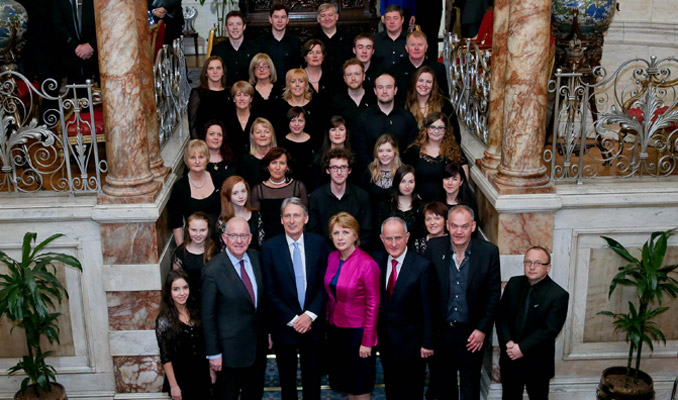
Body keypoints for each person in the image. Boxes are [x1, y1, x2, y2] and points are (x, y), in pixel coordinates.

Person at [425, 205, 501, 400]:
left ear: (473, 226)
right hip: (442, 333)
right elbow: (427, 294)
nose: (459, 231)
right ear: (448, 226)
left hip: (472, 335)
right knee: (444, 388)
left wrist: (482, 329)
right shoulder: (434, 248)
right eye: (455, 226)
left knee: (470, 388)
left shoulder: (489, 253)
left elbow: (493, 295)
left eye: (464, 226)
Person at [261, 198, 328, 400]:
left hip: (313, 324)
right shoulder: (270, 248)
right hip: (284, 325)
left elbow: (325, 283)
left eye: (296, 215)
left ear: (305, 218)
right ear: (281, 220)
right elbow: (270, 291)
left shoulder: (319, 244)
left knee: (313, 381)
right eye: (287, 215)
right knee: (287, 383)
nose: (292, 220)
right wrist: (293, 319)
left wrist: (309, 316)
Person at [202, 217, 267, 400]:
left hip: (257, 348)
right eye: (234, 235)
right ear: (224, 238)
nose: (239, 241)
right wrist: (213, 353)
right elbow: (208, 316)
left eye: (243, 235)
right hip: (228, 354)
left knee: (254, 395)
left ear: (250, 237)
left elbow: (262, 303)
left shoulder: (257, 258)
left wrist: (267, 333)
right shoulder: (212, 271)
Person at [497, 246, 569, 400]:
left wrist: (521, 348)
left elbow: (550, 330)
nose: (531, 267)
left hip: (537, 363)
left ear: (548, 267)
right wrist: (508, 342)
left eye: (537, 263)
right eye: (528, 262)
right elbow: (501, 316)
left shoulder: (558, 295)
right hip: (510, 359)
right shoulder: (514, 283)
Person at [374, 217, 434, 400]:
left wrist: (427, 343)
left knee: (412, 391)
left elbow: (429, 309)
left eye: (398, 238)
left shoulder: (422, 266)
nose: (393, 244)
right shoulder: (377, 261)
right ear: (381, 238)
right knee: (392, 388)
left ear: (407, 237)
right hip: (387, 343)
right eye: (389, 238)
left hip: (413, 345)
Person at [324, 212, 380, 399]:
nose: (340, 237)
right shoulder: (331, 257)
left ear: (355, 235)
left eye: (345, 232)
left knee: (361, 385)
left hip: (358, 332)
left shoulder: (367, 263)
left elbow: (373, 304)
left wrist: (367, 341)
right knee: (348, 383)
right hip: (336, 331)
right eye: (336, 233)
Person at [155, 269, 212, 400]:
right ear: (169, 292)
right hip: (181, 379)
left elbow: (206, 344)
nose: (182, 293)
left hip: (203, 375)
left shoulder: (198, 311)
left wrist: (211, 371)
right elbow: (166, 356)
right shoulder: (164, 321)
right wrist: (173, 385)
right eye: (176, 289)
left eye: (185, 288)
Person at [308, 148, 373, 248]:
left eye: (343, 167)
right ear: (327, 170)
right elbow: (314, 234)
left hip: (355, 254)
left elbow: (367, 232)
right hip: (326, 256)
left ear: (349, 170)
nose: (339, 172)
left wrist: (349, 252)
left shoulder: (362, 196)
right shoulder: (316, 197)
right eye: (334, 167)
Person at [354, 73, 418, 170]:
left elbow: (412, 151)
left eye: (389, 87)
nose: (384, 91)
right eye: (380, 87)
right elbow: (361, 153)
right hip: (371, 177)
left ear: (395, 90)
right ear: (375, 91)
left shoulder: (408, 118)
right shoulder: (363, 119)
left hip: (401, 177)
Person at [402, 112, 466, 202]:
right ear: (426, 129)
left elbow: (463, 181)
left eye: (440, 128)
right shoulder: (414, 150)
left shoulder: (454, 151)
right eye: (432, 127)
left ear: (446, 130)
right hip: (418, 202)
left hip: (445, 203)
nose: (436, 131)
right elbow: (404, 177)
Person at [168, 140, 220, 246]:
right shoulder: (180, 187)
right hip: (193, 242)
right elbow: (176, 223)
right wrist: (181, 250)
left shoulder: (217, 179)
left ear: (207, 159)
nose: (197, 161)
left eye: (201, 157)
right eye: (192, 158)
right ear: (186, 160)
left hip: (218, 240)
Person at [250, 147, 308, 241]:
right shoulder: (258, 190)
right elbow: (257, 223)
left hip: (294, 240)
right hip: (268, 242)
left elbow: (304, 220)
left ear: (287, 167)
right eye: (273, 163)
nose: (277, 167)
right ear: (268, 166)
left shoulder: (298, 187)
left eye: (282, 163)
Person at [390, 30, 449, 107]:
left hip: (431, 114)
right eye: (413, 45)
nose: (416, 48)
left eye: (420, 45)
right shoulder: (395, 70)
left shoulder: (438, 69)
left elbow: (444, 98)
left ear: (426, 48)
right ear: (406, 48)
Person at [404, 66, 461, 144]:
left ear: (433, 85)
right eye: (420, 80)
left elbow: (455, 134)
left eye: (428, 82)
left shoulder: (444, 104)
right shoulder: (406, 105)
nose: (424, 85)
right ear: (414, 82)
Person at [172, 212, 217, 300]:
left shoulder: (215, 250)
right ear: (187, 229)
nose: (198, 234)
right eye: (194, 230)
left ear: (208, 230)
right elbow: (176, 280)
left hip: (213, 297)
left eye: (202, 230)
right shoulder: (180, 253)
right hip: (189, 298)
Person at [53, 0, 98, 84]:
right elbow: (58, 24)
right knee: (78, 93)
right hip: (73, 56)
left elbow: (109, 23)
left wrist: (92, 45)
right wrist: (75, 46)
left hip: (99, 55)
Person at [276, 69, 324, 146]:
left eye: (301, 81)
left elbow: (319, 131)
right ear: (288, 85)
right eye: (293, 81)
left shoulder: (315, 106)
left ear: (306, 85)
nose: (297, 85)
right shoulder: (281, 107)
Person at [362, 134, 402, 225]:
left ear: (395, 152)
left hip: (397, 223)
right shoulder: (369, 173)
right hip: (373, 222)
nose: (384, 154)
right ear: (376, 153)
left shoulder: (402, 173)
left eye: (388, 150)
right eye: (380, 151)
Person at [211, 11, 259, 86]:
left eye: (238, 24)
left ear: (244, 27)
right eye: (231, 24)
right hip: (225, 92)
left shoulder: (254, 49)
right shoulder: (217, 50)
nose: (235, 27)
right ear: (226, 28)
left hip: (249, 92)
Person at [377, 165, 424, 241]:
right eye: (403, 181)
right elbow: (379, 234)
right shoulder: (385, 206)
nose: (407, 186)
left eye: (411, 182)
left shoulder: (421, 207)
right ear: (397, 182)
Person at [217, 176, 265, 250]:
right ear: (227, 195)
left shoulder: (256, 215)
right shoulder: (223, 221)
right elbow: (223, 249)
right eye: (235, 193)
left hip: (254, 259)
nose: (241, 196)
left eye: (243, 191)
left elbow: (261, 244)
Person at [188, 56, 231, 139]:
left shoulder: (229, 92)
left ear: (223, 72)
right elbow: (192, 124)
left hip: (226, 142)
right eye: (211, 68)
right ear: (206, 73)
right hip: (204, 143)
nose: (215, 72)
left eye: (218, 68)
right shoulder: (197, 93)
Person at [330, 58, 376, 133]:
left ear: (364, 76)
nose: (353, 78)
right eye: (349, 74)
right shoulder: (336, 102)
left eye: (357, 74)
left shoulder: (374, 99)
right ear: (344, 78)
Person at [258, 2, 301, 81]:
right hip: (267, 87)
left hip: (289, 88)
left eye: (283, 17)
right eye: (276, 17)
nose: (280, 20)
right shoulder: (261, 42)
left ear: (287, 20)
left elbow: (298, 68)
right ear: (270, 19)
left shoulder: (295, 42)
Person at [310, 116, 353, 191]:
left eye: (341, 129)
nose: (337, 133)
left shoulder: (354, 157)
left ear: (346, 133)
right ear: (328, 133)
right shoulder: (318, 158)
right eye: (333, 129)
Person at [313, 3, 353, 81]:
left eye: (330, 15)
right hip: (320, 83)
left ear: (336, 17)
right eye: (323, 16)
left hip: (345, 83)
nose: (327, 18)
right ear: (318, 19)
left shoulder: (349, 38)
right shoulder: (312, 41)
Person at [224, 81, 261, 158]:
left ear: (251, 98)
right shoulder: (226, 118)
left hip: (255, 159)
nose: (242, 99)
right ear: (234, 98)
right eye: (238, 95)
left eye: (246, 95)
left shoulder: (258, 117)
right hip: (232, 160)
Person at [280, 107, 314, 186]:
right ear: (288, 122)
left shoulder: (313, 142)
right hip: (287, 186)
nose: (296, 124)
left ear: (305, 121)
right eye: (293, 120)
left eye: (300, 120)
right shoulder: (281, 143)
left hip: (310, 186)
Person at [239, 117, 277, 187]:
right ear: (252, 135)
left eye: (266, 132)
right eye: (258, 132)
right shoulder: (245, 160)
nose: (262, 135)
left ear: (272, 135)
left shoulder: (280, 158)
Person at [203, 120, 236, 190]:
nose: (216, 137)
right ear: (205, 136)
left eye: (219, 135)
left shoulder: (231, 160)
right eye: (211, 134)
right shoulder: (198, 161)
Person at [373, 5, 408, 70]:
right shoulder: (375, 40)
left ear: (402, 19)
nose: (391, 22)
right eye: (388, 18)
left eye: (395, 18)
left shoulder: (410, 39)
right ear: (384, 20)